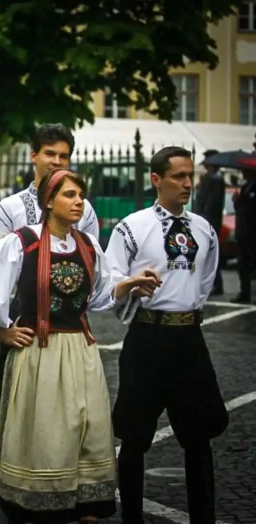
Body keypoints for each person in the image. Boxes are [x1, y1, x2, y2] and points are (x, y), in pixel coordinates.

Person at [0, 169, 160, 524]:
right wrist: (3, 331)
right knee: (44, 430)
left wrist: (130, 284)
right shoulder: (22, 241)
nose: (78, 202)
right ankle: (40, 503)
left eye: (80, 195)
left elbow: (100, 295)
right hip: (39, 353)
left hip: (79, 350)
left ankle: (83, 504)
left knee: (85, 427)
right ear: (49, 200)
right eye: (69, 195)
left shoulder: (87, 246)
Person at [105, 146, 229, 524]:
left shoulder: (204, 229)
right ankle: (132, 519)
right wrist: (131, 286)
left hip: (189, 341)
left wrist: (184, 307)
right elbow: (110, 281)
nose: (188, 183)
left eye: (190, 175)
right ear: (156, 179)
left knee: (198, 437)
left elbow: (205, 281)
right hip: (147, 338)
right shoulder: (132, 227)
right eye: (178, 176)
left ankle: (203, 517)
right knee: (136, 435)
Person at [0, 123, 100, 422]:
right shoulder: (10, 208)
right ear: (34, 156)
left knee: (68, 408)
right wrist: (1, 328)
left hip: (67, 319)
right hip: (23, 314)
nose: (57, 162)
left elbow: (93, 265)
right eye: (50, 154)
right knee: (15, 407)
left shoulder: (82, 209)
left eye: (64, 156)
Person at [194, 149, 226, 295]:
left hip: (209, 222)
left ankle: (216, 284)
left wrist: (203, 221)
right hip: (206, 220)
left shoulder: (215, 179)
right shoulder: (208, 178)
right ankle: (212, 283)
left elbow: (212, 204)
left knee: (211, 255)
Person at [233, 157, 256, 304]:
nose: (242, 173)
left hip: (253, 231)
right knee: (243, 264)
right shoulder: (246, 186)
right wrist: (236, 201)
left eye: (245, 171)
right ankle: (245, 293)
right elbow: (241, 209)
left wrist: (242, 201)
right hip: (242, 231)